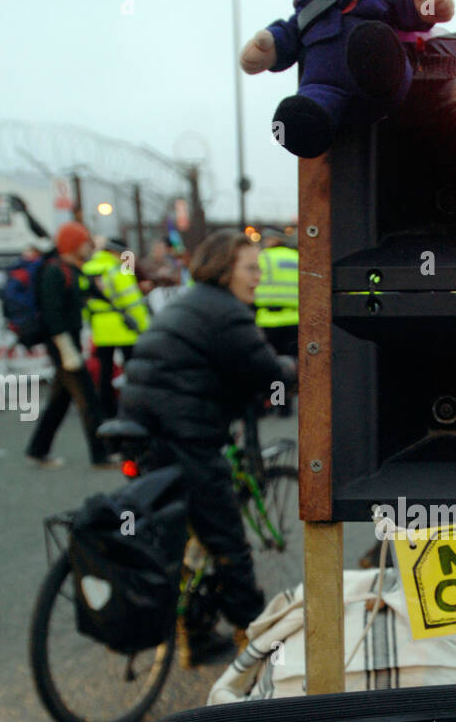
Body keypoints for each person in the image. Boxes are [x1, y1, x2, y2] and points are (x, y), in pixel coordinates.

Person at [120, 230, 287, 662]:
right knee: (228, 539)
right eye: (250, 268)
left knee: (183, 526)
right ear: (224, 270)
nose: (258, 277)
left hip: (140, 427)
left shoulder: (190, 302)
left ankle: (194, 632)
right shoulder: (226, 312)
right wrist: (303, 366)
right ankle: (258, 642)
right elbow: (267, 371)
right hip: (183, 436)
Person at [24, 222, 110, 469]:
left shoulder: (71, 269)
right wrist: (65, 348)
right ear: (73, 245)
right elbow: (53, 314)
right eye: (83, 242)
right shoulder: (55, 271)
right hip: (63, 344)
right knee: (88, 400)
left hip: (67, 343)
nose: (88, 247)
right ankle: (101, 455)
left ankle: (38, 449)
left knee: (60, 401)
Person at [82, 237, 149, 418]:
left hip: (100, 328)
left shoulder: (87, 269)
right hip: (124, 328)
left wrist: (90, 323)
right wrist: (144, 326)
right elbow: (133, 301)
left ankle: (107, 411)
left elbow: (84, 301)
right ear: (113, 252)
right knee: (131, 371)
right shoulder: (117, 269)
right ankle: (132, 408)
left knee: (105, 372)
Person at [255, 230, 299, 358]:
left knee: (269, 362)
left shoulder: (263, 257)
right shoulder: (297, 257)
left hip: (267, 320)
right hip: (295, 319)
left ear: (273, 239)